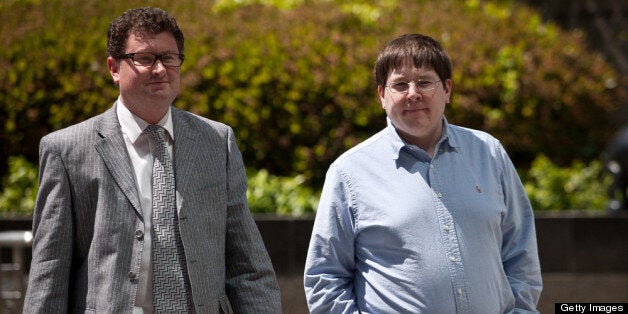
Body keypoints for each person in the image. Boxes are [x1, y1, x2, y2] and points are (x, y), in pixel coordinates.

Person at [23, 7, 281, 313]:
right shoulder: (67, 150)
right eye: (144, 59)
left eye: (169, 58)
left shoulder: (216, 142)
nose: (160, 69)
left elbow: (247, 264)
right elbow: (49, 271)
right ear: (114, 68)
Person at [304, 33, 542, 313]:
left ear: (448, 90)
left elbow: (521, 254)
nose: (413, 93)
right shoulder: (350, 173)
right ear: (382, 96)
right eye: (400, 84)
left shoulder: (489, 153)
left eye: (425, 82)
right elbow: (325, 278)